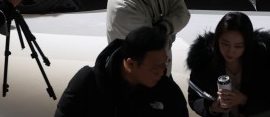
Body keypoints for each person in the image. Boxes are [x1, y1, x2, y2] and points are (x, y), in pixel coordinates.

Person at [55, 26, 189, 116]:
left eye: (165, 63)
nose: (162, 71)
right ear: (130, 64)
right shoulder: (87, 82)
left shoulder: (167, 90)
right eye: (156, 67)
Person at [186, 11, 270, 116]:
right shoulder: (203, 61)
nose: (230, 51)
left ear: (248, 44)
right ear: (217, 41)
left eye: (238, 46)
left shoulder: (266, 64)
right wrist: (211, 108)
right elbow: (194, 98)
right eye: (225, 44)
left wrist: (244, 100)